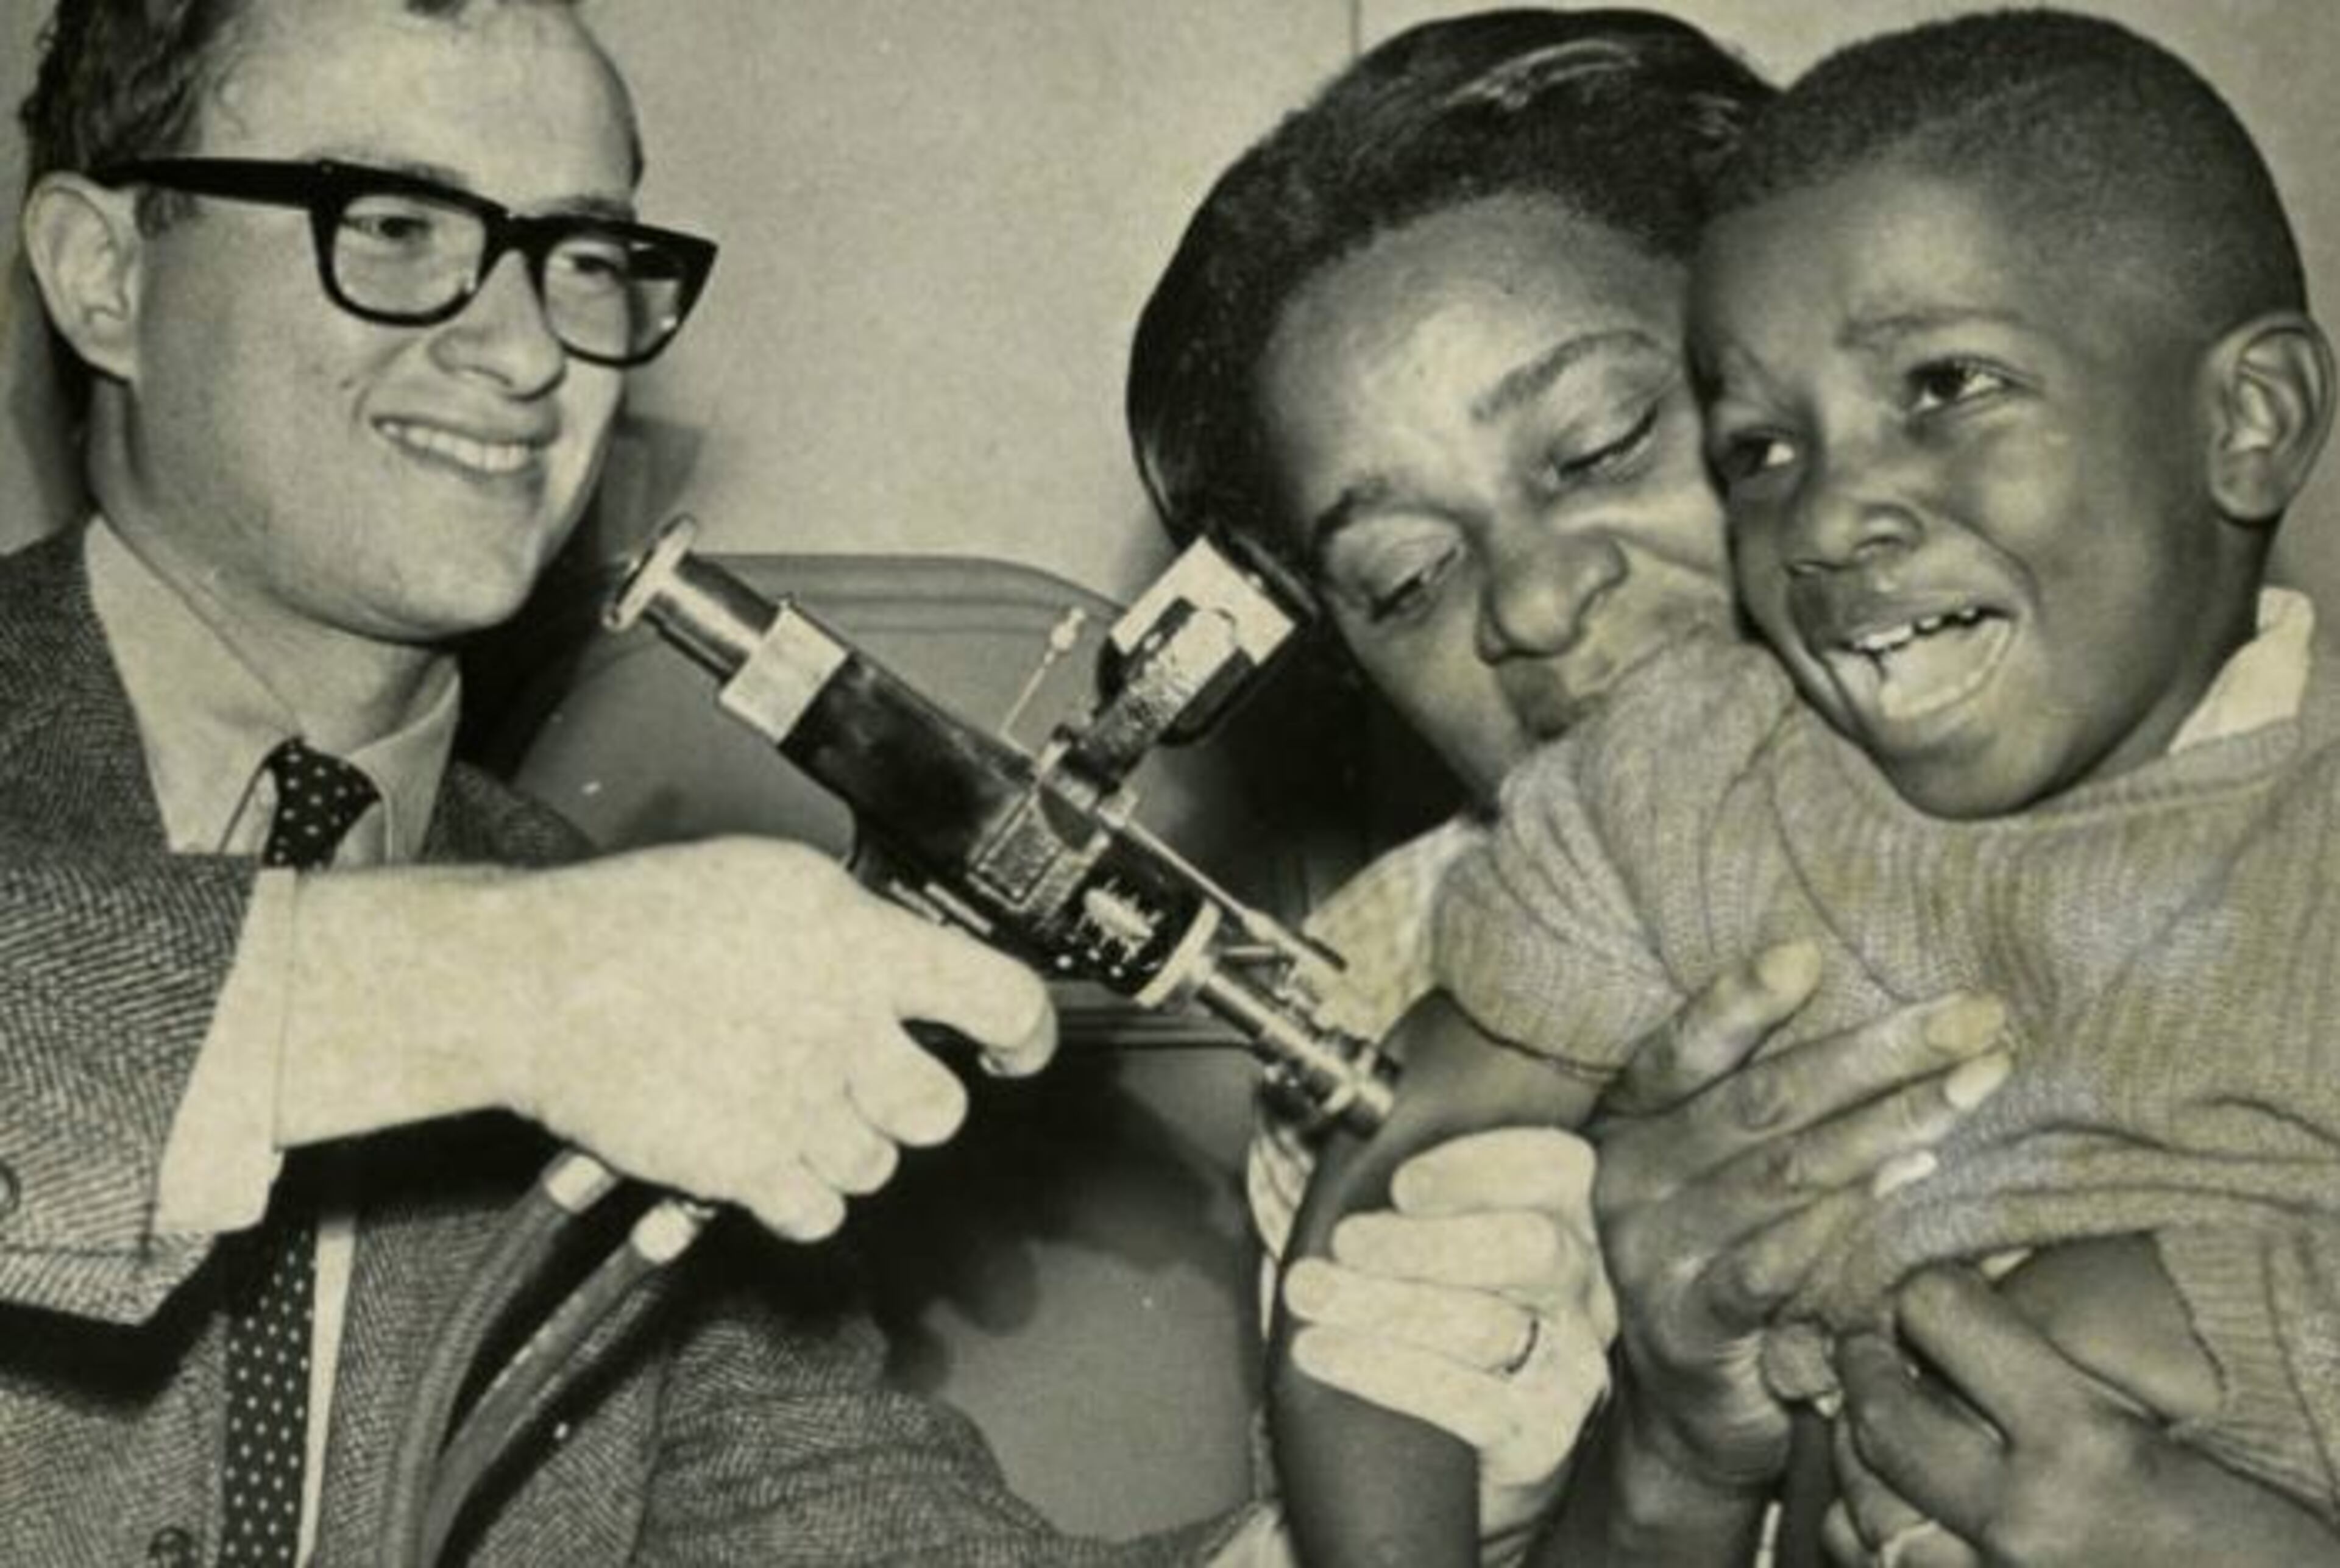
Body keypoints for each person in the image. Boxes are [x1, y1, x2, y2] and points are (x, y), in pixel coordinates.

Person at [0, 1, 1588, 1561]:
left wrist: (1384, 1509)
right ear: (102, 273)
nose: (520, 344)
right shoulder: (587, 966)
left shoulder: (592, 933)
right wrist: (512, 986)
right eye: (396, 225)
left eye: (582, 254)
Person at [1132, 9, 2340, 1568]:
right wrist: (1672, 1457)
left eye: (1608, 442)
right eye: (1406, 577)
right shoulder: (1414, 962)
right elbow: (1370, 1341)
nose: (1534, 609)